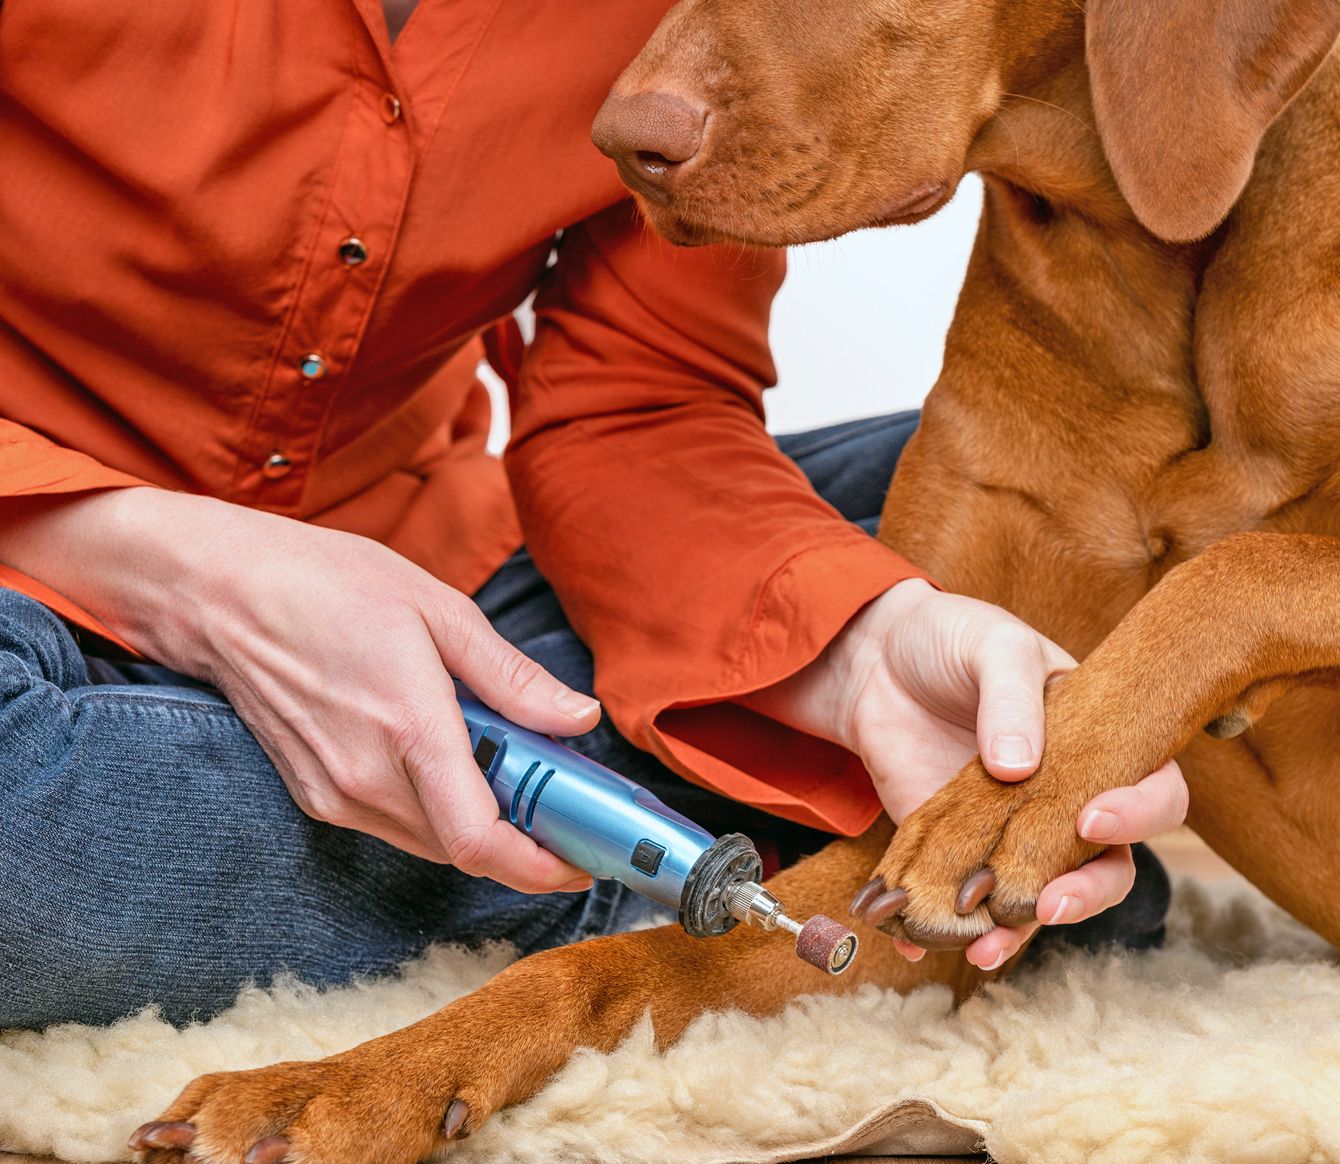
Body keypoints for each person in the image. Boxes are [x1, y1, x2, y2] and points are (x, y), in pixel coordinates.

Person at [0, 0, 1187, 1030]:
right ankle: (719, 871)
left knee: (1057, 524)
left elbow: (639, 404)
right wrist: (195, 575)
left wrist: (859, 645)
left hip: (436, 605)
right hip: (32, 572)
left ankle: (600, 821)